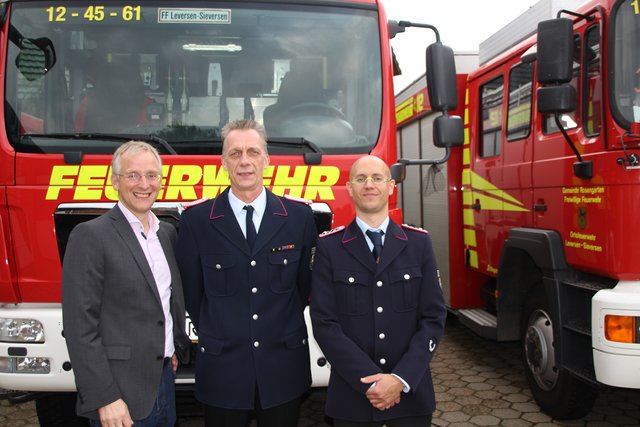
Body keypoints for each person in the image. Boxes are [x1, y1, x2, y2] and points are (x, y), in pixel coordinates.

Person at [176, 119, 317, 427]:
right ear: (223, 162)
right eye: (235, 153)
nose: (245, 161)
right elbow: (192, 294)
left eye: (253, 151)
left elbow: (303, 288)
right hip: (223, 369)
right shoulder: (197, 221)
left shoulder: (299, 218)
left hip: (282, 366)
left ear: (266, 159)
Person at [310, 155, 447, 427]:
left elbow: (433, 318)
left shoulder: (419, 243)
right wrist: (371, 382)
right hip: (353, 397)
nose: (369, 185)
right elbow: (325, 324)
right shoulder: (329, 248)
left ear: (391, 186)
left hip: (410, 394)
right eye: (360, 179)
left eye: (377, 178)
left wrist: (400, 379)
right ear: (349, 188)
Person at [62, 140, 191, 427]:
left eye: (151, 175)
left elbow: (165, 301)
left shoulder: (166, 233)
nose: (143, 184)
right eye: (133, 175)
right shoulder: (90, 236)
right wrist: (104, 398)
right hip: (120, 394)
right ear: (115, 181)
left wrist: (172, 347)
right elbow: (79, 327)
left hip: (163, 381)